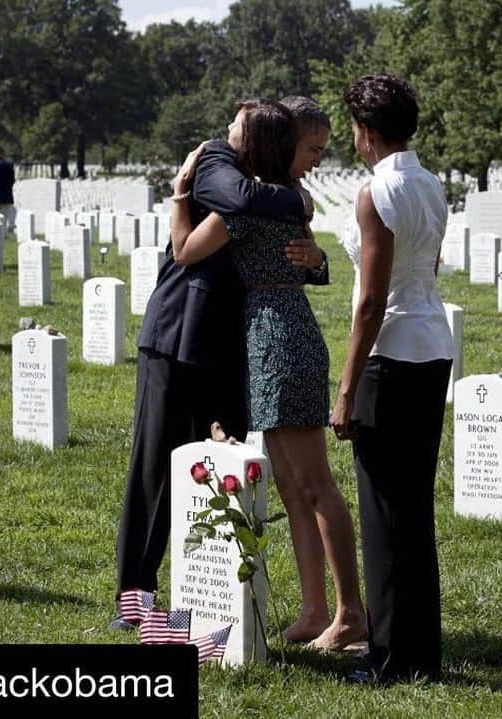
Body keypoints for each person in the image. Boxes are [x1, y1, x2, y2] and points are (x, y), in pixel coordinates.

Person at [110, 102, 328, 631]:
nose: (226, 130)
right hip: (179, 331)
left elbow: (290, 258)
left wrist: (314, 253)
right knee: (155, 467)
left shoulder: (268, 185)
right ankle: (135, 594)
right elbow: (234, 202)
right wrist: (290, 197)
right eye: (311, 150)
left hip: (238, 342)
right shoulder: (212, 160)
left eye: (237, 125)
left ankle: (210, 595)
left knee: (223, 466)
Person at [171, 98, 367, 652]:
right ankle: (313, 610)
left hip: (278, 337)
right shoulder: (288, 199)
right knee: (289, 483)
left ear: (253, 145)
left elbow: (184, 250)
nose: (226, 141)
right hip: (275, 332)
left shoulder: (246, 207)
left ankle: (350, 612)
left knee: (314, 483)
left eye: (236, 133)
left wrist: (181, 194)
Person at [331, 73, 453, 682]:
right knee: (414, 507)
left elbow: (371, 300)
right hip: (433, 347)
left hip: (390, 353)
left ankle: (386, 657)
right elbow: (426, 269)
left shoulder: (374, 192)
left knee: (382, 513)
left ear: (369, 132)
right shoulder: (433, 186)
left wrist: (348, 387)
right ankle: (420, 654)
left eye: (354, 128)